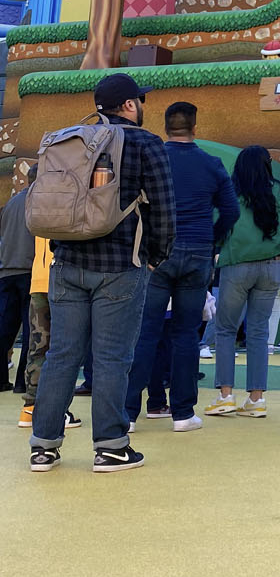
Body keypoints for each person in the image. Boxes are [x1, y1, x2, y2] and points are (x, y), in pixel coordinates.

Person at [29, 73, 176, 473]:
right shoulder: (146, 143)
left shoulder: (70, 140)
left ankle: (43, 446)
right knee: (112, 357)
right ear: (130, 105)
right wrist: (156, 256)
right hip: (120, 266)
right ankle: (110, 446)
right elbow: (162, 207)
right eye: (140, 100)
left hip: (67, 264)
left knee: (62, 355)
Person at [125, 102, 239, 433]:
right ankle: (183, 413)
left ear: (166, 127)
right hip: (198, 252)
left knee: (145, 332)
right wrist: (211, 241)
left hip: (157, 255)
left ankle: (129, 413)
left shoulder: (153, 159)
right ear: (194, 127)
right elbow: (230, 212)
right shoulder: (212, 164)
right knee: (186, 333)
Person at [205, 147, 280, 419]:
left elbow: (217, 224)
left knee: (226, 329)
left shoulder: (231, 191)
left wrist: (223, 246)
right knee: (259, 331)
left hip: (236, 265)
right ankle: (256, 400)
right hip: (272, 266)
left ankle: (226, 395)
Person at [18, 233, 82, 433]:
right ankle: (59, 410)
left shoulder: (38, 203)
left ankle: (30, 407)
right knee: (64, 349)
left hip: (38, 280)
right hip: (64, 279)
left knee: (37, 346)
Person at [0, 165, 36, 394]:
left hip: (6, 271)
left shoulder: (11, 203)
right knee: (33, 330)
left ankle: (2, 379)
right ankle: (24, 381)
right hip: (30, 270)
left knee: (5, 328)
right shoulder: (39, 202)